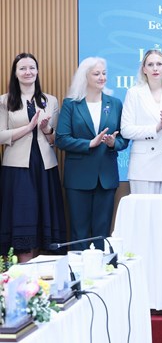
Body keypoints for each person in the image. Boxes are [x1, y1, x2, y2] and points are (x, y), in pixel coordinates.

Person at [55, 57, 129, 250]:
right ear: (84, 77)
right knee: (78, 233)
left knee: (102, 233)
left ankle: (103, 268)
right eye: (96, 74)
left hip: (106, 177)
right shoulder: (71, 104)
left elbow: (124, 139)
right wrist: (89, 144)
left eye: (104, 73)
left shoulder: (115, 103)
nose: (102, 77)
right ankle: (78, 269)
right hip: (78, 178)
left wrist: (113, 143)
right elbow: (61, 139)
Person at [0, 53, 66, 261]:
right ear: (15, 73)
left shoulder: (50, 100)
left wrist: (46, 130)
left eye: (32, 68)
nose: (28, 72)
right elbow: (1, 135)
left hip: (45, 167)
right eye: (22, 68)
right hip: (17, 168)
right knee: (23, 216)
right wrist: (28, 128)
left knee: (42, 218)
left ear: (37, 71)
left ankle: (37, 271)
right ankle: (22, 271)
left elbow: (56, 139)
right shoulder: (4, 101)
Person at [120, 50, 162, 194]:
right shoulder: (134, 93)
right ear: (144, 69)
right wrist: (155, 128)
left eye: (159, 64)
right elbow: (125, 130)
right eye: (150, 64)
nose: (155, 68)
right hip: (142, 165)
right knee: (143, 208)